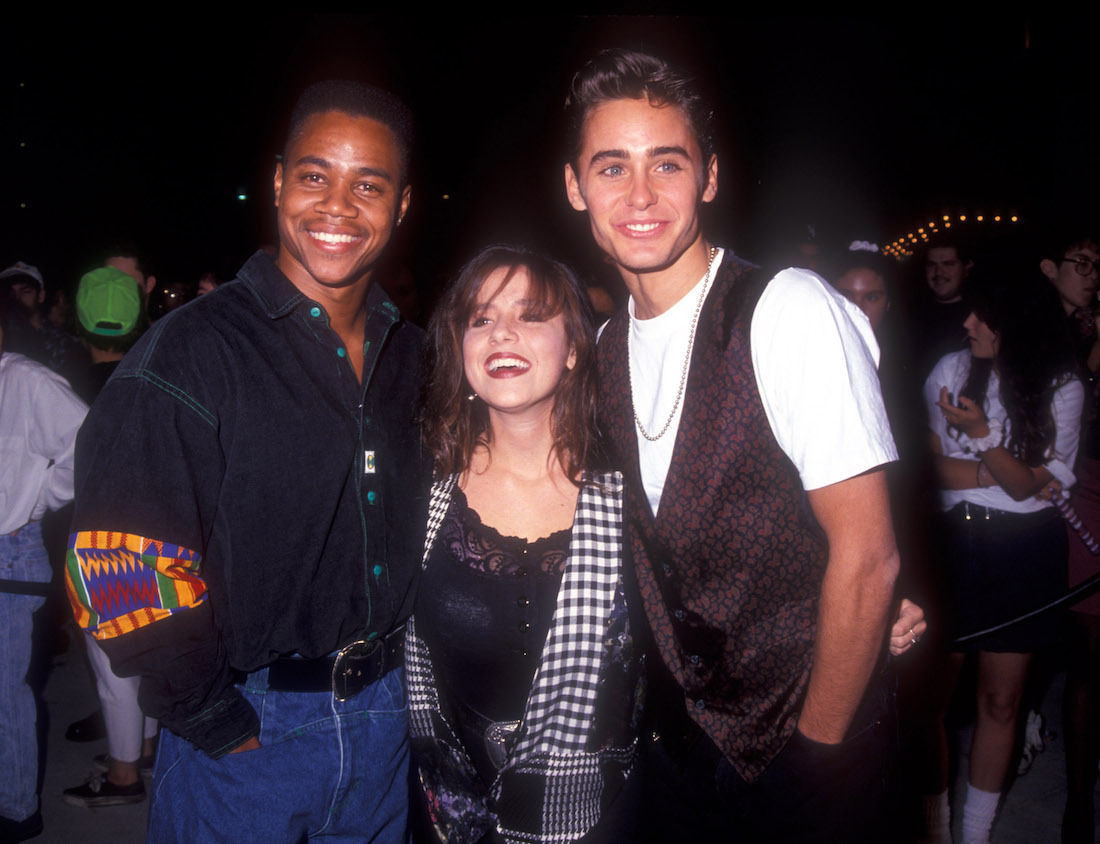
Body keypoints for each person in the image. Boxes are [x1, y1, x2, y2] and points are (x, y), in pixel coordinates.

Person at [64, 79, 430, 841]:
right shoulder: (192, 352)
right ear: (276, 182)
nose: (338, 205)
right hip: (248, 734)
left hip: (389, 722)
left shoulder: (416, 357)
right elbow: (113, 561)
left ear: (400, 206)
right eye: (314, 175)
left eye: (369, 184)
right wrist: (207, 714)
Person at [563, 48, 910, 840]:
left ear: (709, 178)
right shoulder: (604, 347)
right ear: (575, 186)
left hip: (812, 746)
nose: (641, 194)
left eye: (668, 163)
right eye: (612, 167)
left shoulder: (786, 309)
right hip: (677, 755)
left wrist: (815, 765)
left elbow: (869, 558)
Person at [407, 245, 641, 843]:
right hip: (447, 817)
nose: (501, 334)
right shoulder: (417, 485)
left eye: (531, 315)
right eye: (480, 319)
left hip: (606, 817)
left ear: (574, 348)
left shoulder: (635, 492)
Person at [924, 275, 1083, 844]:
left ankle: (975, 836)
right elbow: (928, 468)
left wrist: (982, 439)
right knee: (930, 703)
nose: (967, 324)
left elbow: (1024, 492)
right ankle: (935, 829)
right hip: (953, 546)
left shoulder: (1063, 386)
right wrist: (1002, 468)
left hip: (1023, 552)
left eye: (982, 315)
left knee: (1000, 700)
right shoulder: (948, 369)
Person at [61, 266, 158, 808]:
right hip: (155, 536)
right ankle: (141, 747)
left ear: (78, 323)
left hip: (103, 544)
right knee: (139, 658)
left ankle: (124, 777)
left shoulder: (65, 385)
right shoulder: (156, 373)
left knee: (112, 670)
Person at [0, 294, 88, 841]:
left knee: (4, 693)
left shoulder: (27, 382)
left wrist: (38, 500)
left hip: (9, 550)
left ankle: (14, 812)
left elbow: (92, 443)